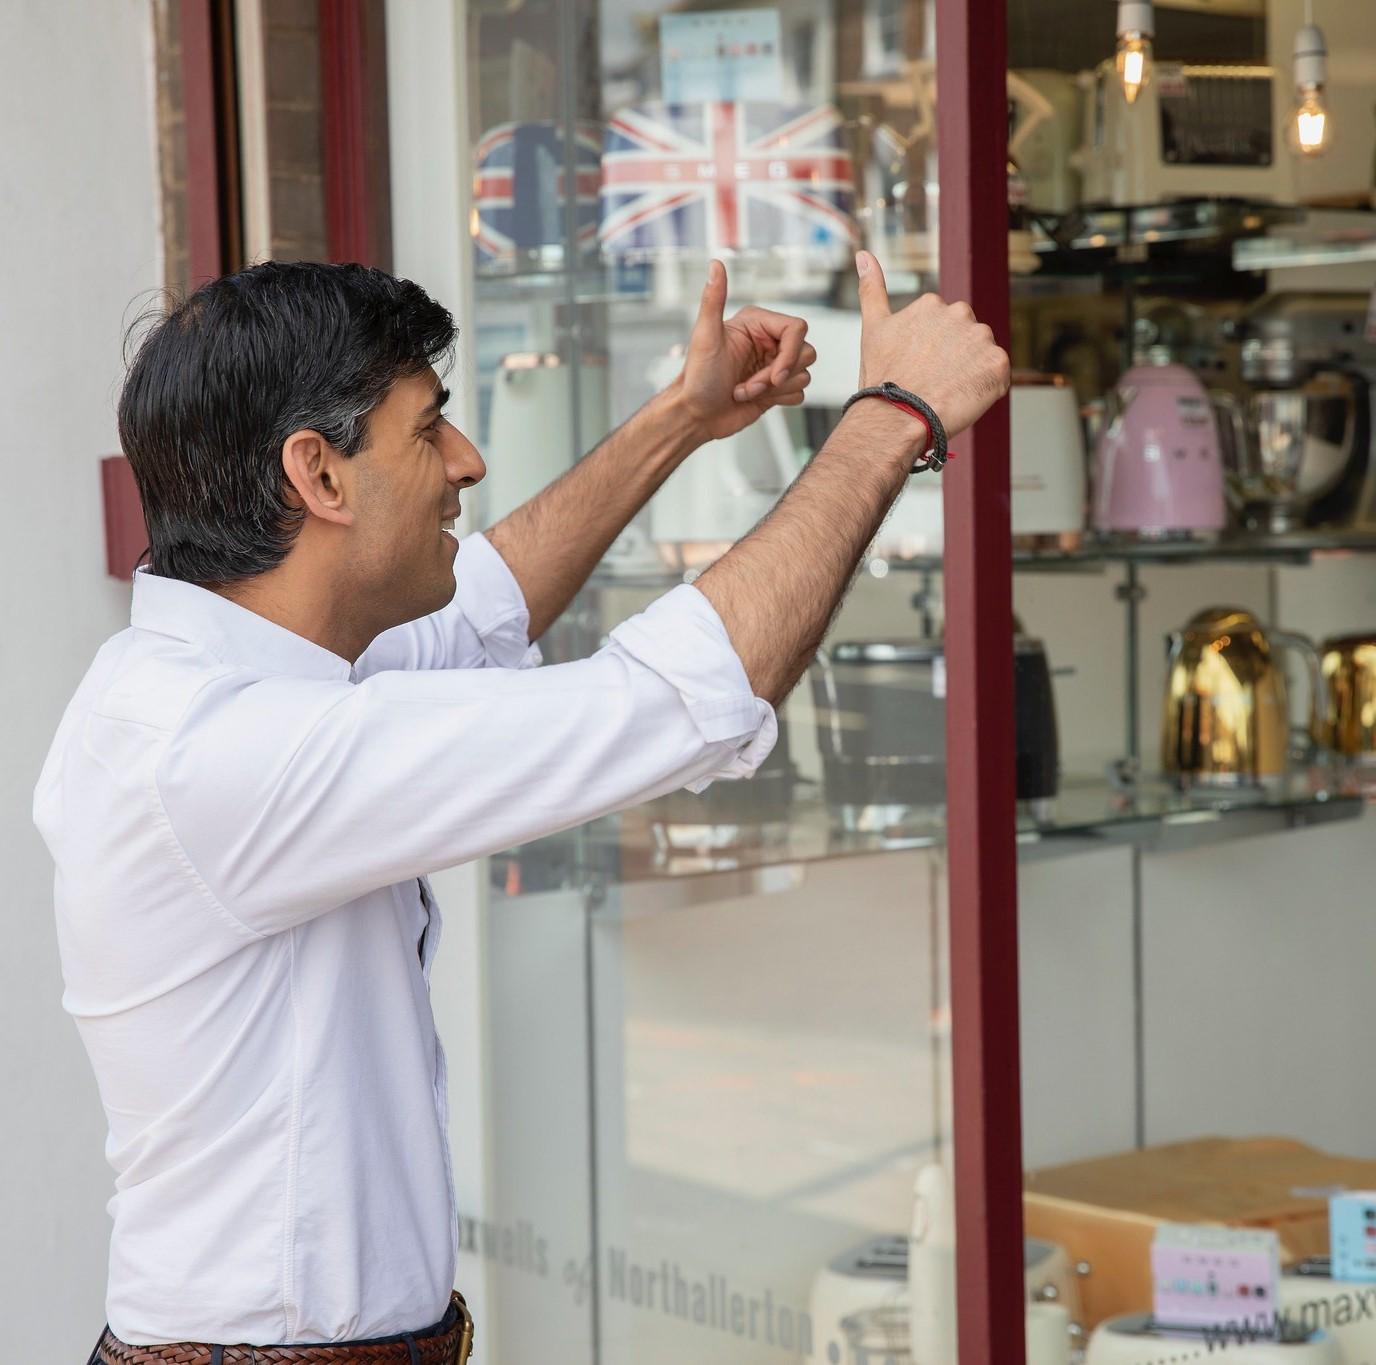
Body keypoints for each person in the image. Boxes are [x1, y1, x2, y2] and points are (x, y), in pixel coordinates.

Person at [36, 252, 1008, 1362]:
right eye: (427, 429)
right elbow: (674, 701)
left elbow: (486, 602)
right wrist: (893, 416)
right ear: (319, 475)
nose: (467, 460)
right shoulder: (219, 755)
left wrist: (683, 422)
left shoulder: (234, 682)